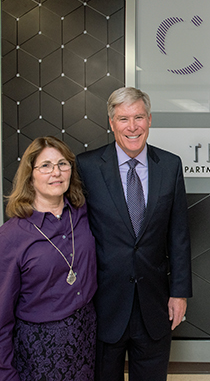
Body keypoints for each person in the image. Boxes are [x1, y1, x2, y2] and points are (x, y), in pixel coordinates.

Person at [76, 86, 192, 381]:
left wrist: (179, 293)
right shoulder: (87, 167)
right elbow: (75, 232)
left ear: (149, 120)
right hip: (103, 303)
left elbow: (178, 234)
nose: (132, 127)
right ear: (111, 123)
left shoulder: (170, 165)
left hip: (154, 303)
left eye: (138, 117)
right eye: (124, 119)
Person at [0, 136, 97, 381]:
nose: (56, 172)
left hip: (86, 340)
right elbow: (1, 316)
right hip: (39, 351)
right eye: (45, 166)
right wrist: (6, 374)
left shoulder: (83, 214)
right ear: (30, 175)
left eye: (62, 164)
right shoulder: (12, 236)